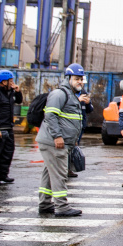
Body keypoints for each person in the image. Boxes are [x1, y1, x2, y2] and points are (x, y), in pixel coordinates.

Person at [35, 64, 86, 217]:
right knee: (60, 174)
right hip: (54, 142)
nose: (80, 82)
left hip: (59, 141)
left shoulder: (71, 95)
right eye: (77, 79)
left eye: (81, 79)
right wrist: (57, 136)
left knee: (49, 173)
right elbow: (50, 116)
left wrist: (74, 139)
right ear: (68, 78)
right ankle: (62, 207)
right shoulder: (59, 94)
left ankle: (44, 204)